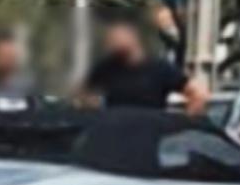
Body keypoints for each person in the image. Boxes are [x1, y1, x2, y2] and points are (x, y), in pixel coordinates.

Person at [80, 18, 209, 116]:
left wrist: (186, 124)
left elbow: (198, 94)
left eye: (116, 36)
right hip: (116, 138)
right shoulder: (107, 67)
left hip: (151, 136)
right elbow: (83, 93)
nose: (112, 42)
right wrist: (94, 114)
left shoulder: (159, 68)